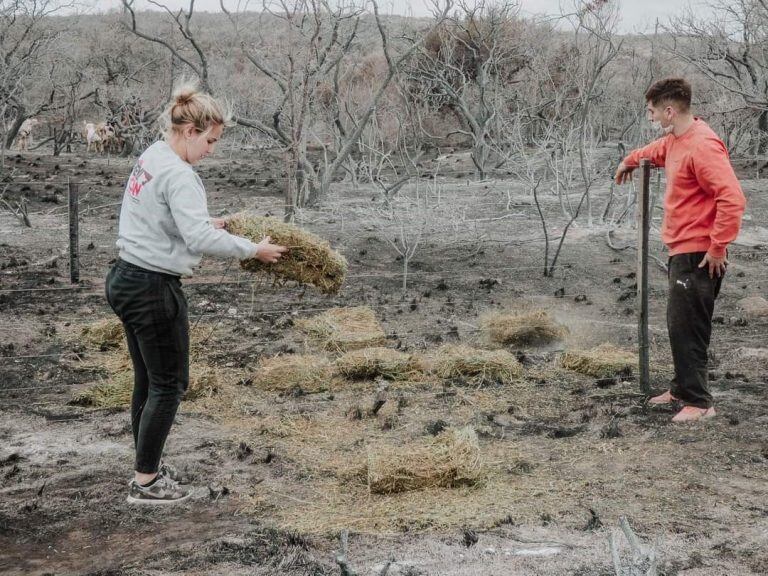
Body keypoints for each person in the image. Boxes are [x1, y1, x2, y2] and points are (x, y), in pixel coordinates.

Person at [105, 84, 287, 504]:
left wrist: (207, 221)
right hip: (152, 287)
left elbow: (165, 216)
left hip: (125, 278)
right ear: (189, 130)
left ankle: (144, 468)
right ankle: (146, 481)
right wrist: (253, 250)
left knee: (148, 380)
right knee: (170, 384)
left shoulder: (153, 155)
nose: (211, 150)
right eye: (210, 141)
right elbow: (199, 240)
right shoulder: (180, 174)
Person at [615, 77, 746, 423]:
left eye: (652, 112)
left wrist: (718, 247)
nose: (651, 118)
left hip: (699, 253)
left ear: (670, 111)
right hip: (682, 249)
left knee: (689, 327)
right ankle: (681, 389)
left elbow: (732, 198)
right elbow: (653, 151)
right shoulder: (676, 140)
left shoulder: (703, 145)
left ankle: (700, 403)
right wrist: (629, 160)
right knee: (679, 323)